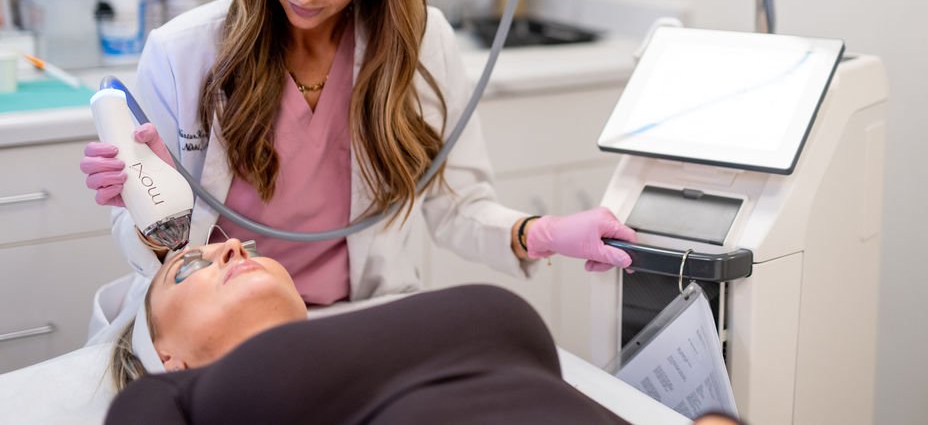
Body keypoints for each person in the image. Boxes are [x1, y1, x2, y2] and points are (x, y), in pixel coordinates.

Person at [79, 0, 637, 342]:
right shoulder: (184, 53)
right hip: (221, 333)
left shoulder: (420, 45)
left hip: (360, 324)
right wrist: (150, 212)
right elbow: (161, 259)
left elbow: (458, 206)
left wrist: (543, 233)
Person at [105, 237, 631, 424]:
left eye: (248, 249)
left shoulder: (387, 330)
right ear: (169, 357)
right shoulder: (169, 399)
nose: (232, 247)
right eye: (190, 269)